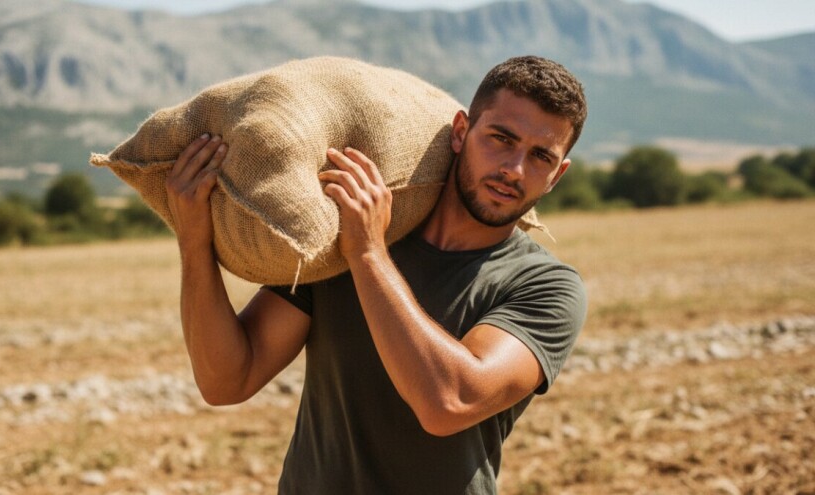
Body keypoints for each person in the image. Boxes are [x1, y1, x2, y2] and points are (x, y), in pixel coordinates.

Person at [165, 55, 588, 494]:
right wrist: (194, 244)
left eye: (540, 156)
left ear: (557, 175)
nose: (514, 169)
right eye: (501, 138)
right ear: (461, 132)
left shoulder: (546, 286)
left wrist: (368, 253)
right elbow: (227, 381)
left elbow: (448, 402)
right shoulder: (340, 240)